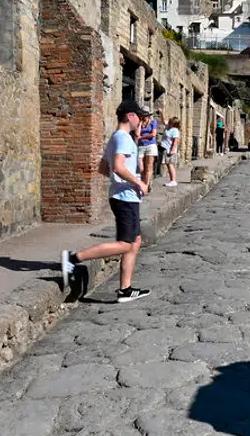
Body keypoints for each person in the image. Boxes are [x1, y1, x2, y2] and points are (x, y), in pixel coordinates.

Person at [60, 101, 151, 302]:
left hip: (123, 196)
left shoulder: (116, 138)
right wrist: (139, 183)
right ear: (130, 116)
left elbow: (104, 168)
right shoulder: (124, 138)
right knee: (126, 244)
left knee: (134, 242)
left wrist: (123, 179)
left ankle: (125, 290)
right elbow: (117, 167)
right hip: (125, 198)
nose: (142, 121)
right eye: (139, 116)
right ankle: (74, 258)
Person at [137, 109, 160, 191]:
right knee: (141, 168)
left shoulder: (153, 122)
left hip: (151, 146)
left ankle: (146, 185)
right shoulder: (139, 123)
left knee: (148, 166)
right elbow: (137, 134)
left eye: (146, 115)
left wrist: (142, 137)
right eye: (142, 115)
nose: (144, 117)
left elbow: (153, 134)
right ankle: (146, 181)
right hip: (141, 146)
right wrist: (139, 123)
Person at [161, 116, 181, 187]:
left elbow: (175, 141)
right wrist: (161, 113)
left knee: (170, 165)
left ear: (174, 124)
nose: (169, 123)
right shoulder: (168, 126)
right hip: (166, 149)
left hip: (170, 150)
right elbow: (163, 120)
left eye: (170, 122)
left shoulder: (175, 130)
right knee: (168, 164)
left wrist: (172, 150)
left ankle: (173, 180)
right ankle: (172, 180)